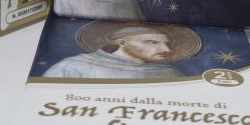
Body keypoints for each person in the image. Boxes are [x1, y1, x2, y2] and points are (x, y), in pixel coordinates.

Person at [42, 26, 183, 79]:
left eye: (166, 43)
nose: (167, 50)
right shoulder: (75, 66)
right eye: (152, 42)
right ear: (122, 42)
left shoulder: (169, 73)